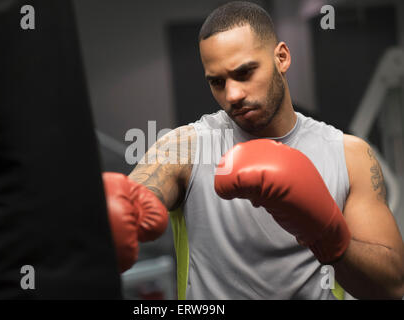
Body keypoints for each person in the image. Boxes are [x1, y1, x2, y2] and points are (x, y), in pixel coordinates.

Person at [126, 1, 404, 299]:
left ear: (281, 57)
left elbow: (392, 287)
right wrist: (123, 213)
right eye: (217, 82)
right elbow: (132, 201)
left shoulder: (349, 155)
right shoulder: (185, 148)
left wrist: (330, 238)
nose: (232, 95)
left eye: (244, 73)